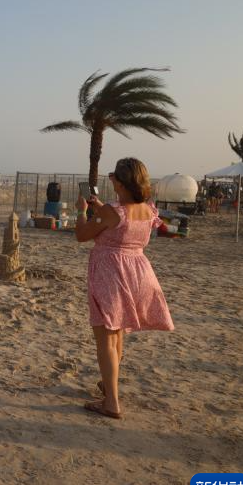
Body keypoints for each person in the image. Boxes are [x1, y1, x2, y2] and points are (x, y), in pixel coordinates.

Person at [75, 157, 174, 419]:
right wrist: (99, 208)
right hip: (138, 273)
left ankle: (111, 403)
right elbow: (120, 222)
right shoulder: (148, 210)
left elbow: (82, 234)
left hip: (112, 274)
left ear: (120, 183)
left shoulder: (112, 211)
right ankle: (110, 387)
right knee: (117, 334)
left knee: (106, 338)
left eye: (114, 178)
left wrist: (81, 211)